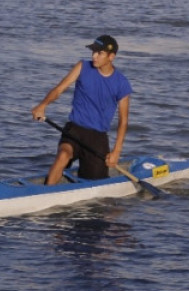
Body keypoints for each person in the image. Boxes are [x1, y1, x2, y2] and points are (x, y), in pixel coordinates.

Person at [31, 35, 132, 186]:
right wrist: (43, 105)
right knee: (63, 155)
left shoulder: (121, 83)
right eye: (93, 51)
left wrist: (116, 152)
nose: (94, 56)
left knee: (95, 183)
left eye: (99, 53)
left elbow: (123, 121)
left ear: (111, 57)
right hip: (74, 130)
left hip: (97, 137)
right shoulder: (83, 67)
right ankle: (45, 191)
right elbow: (59, 89)